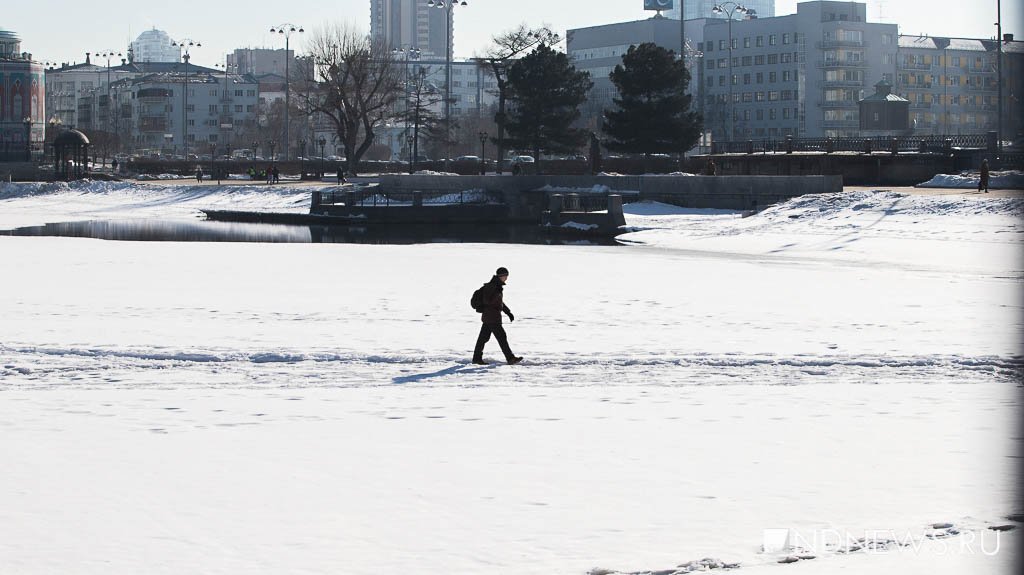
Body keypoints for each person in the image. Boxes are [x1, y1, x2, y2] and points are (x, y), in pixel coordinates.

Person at [472, 267, 523, 365]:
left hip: (491, 317)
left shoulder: (496, 286)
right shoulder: (492, 287)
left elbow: (500, 302)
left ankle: (476, 358)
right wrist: (495, 306)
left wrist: (508, 312)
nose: (506, 278)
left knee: (483, 338)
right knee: (501, 337)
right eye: (506, 276)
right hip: (492, 317)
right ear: (501, 276)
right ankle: (510, 358)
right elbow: (489, 301)